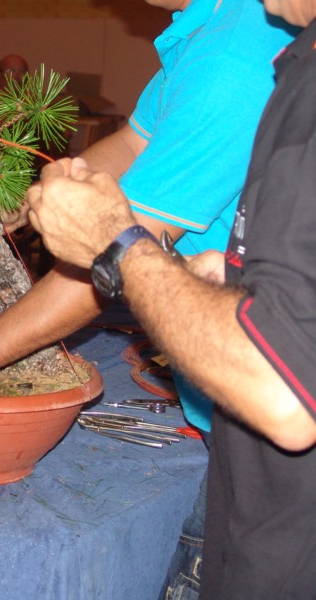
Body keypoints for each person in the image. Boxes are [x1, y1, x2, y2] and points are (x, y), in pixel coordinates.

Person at [0, 1, 295, 598]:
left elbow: (117, 253)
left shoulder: (230, 55)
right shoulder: (210, 28)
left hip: (270, 416)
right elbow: (130, 146)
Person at [25, 0, 316, 593]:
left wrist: (119, 245)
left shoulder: (244, 56)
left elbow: (287, 395)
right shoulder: (289, 56)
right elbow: (135, 146)